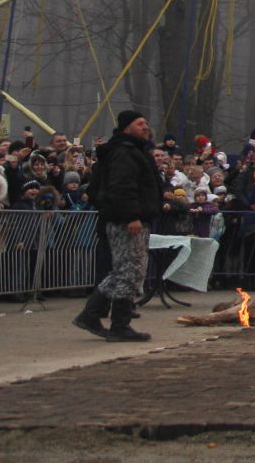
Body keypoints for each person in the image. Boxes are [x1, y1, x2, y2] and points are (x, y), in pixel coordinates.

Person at [75, 109, 162, 341]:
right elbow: (122, 186)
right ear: (127, 128)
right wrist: (131, 215)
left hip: (131, 218)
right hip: (126, 220)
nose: (146, 127)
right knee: (127, 272)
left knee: (130, 271)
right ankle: (108, 320)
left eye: (146, 123)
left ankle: (107, 319)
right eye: (140, 123)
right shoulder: (124, 152)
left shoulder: (132, 150)